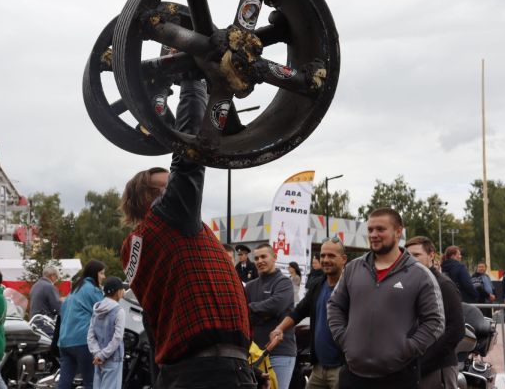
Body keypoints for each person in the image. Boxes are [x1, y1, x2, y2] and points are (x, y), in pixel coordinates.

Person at [119, 79, 255, 388]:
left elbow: (154, 330)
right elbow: (189, 156)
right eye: (167, 187)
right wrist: (193, 80)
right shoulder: (167, 218)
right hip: (211, 373)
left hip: (188, 372)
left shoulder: (140, 243)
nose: (177, 190)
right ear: (147, 200)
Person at [328, 208, 445, 388]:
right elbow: (334, 305)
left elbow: (435, 321)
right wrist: (344, 338)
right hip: (353, 376)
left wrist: (407, 348)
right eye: (370, 229)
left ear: (398, 232)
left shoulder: (419, 274)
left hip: (398, 377)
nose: (374, 234)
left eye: (380, 229)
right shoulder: (353, 269)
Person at [267, 237, 347, 389]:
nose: (325, 259)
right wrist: (280, 329)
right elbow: (298, 311)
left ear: (343, 259)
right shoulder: (318, 285)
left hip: (342, 368)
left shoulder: (351, 286)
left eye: (331, 255)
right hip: (318, 367)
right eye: (323, 255)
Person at [405, 236, 464, 389]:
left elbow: (456, 330)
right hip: (415, 369)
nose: (411, 260)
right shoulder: (411, 284)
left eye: (416, 255)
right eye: (407, 256)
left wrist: (423, 361)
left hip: (438, 369)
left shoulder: (444, 285)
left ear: (431, 255)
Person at [245, 244, 296, 388]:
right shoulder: (249, 286)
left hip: (280, 352)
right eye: (256, 258)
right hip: (255, 354)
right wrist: (263, 312)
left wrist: (252, 309)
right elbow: (245, 315)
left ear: (274, 258)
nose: (260, 261)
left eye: (263, 256)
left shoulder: (284, 283)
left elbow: (275, 306)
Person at [58, 260, 106, 389]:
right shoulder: (93, 290)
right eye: (101, 273)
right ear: (94, 274)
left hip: (64, 341)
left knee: (65, 382)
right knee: (91, 382)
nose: (104, 277)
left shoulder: (75, 289)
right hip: (83, 341)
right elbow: (105, 312)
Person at [87, 276, 126, 389]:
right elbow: (117, 338)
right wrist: (103, 355)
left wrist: (97, 353)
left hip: (98, 359)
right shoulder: (119, 311)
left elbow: (90, 335)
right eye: (122, 289)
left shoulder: (97, 309)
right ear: (118, 292)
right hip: (113, 358)